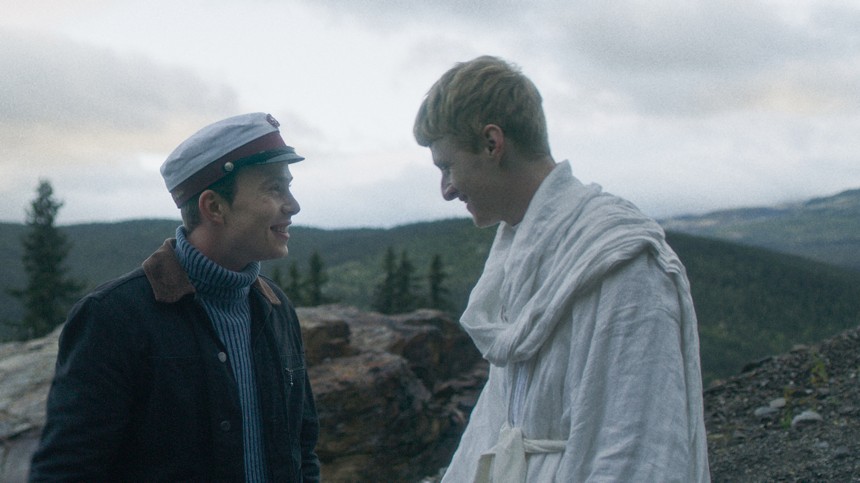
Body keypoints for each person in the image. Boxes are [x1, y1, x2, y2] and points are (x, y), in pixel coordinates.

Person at [413, 56, 710, 482]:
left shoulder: (621, 261)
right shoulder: (520, 260)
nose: (446, 189)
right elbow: (503, 421)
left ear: (492, 143)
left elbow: (637, 445)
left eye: (447, 166)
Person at [29, 112, 320, 482]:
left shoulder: (276, 308)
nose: (293, 205)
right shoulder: (114, 318)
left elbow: (302, 451)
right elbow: (66, 471)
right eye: (274, 189)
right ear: (214, 207)